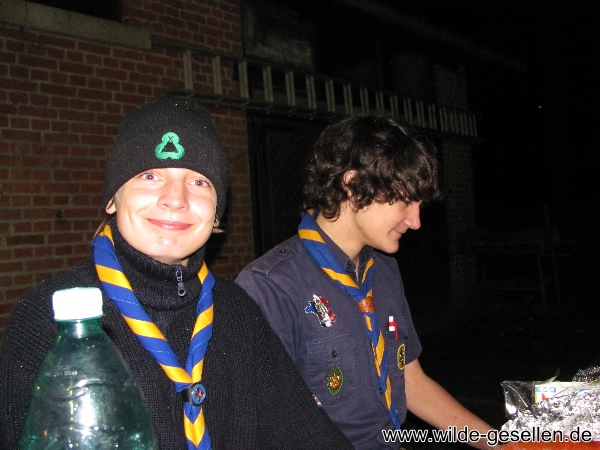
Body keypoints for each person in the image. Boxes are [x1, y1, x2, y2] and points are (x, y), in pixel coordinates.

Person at [0, 97, 354, 450]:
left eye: (199, 182)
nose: (175, 199)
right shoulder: (47, 321)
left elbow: (307, 435)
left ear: (216, 214)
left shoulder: (238, 313)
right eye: (150, 175)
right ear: (112, 199)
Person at [236, 115, 502, 450]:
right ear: (353, 184)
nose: (416, 221)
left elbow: (410, 382)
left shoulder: (384, 271)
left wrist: (502, 444)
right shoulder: (270, 287)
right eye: (405, 200)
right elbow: (263, 427)